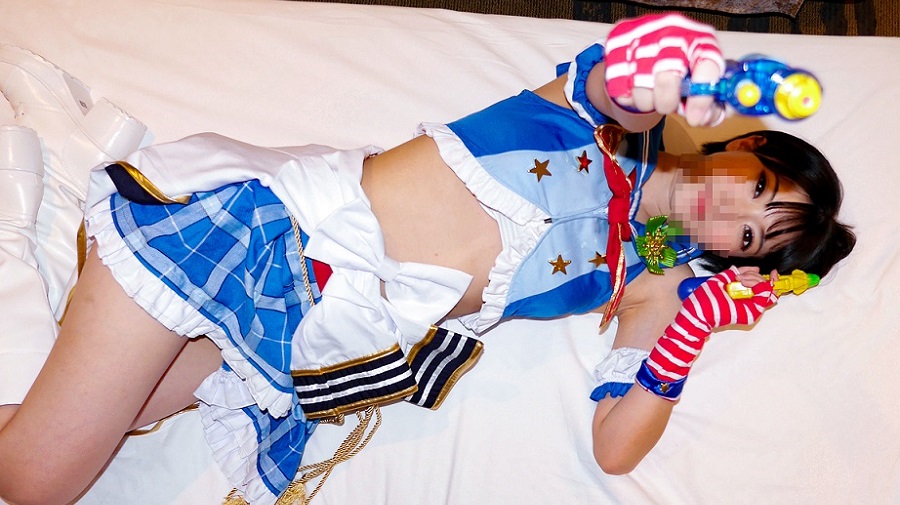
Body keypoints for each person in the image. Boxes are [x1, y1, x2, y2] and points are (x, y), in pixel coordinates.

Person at [0, 12, 854, 505]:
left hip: (295, 327)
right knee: (36, 480)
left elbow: (616, 451)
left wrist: (690, 333)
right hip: (258, 234)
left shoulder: (649, 280)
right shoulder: (615, 127)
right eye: (756, 187)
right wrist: (682, 73)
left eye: (751, 235)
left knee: (90, 418)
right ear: (741, 147)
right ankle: (13, 220)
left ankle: (34, 213)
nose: (733, 215)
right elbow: (618, 82)